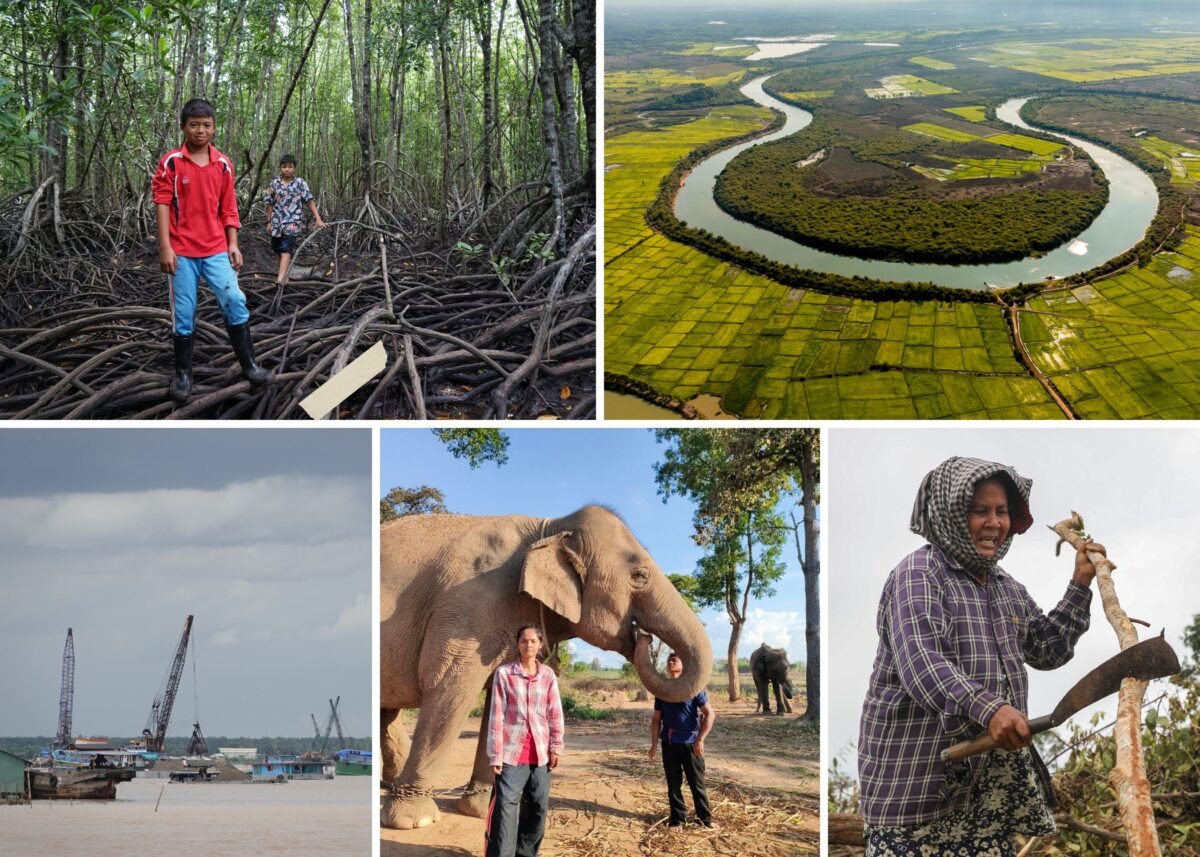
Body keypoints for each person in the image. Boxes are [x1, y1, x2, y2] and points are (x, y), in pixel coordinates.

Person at [858, 456, 1105, 857]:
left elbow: (1047, 648)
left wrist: (1080, 581)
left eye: (1002, 512)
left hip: (987, 800)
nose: (995, 523)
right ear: (952, 515)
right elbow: (923, 665)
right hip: (918, 793)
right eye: (980, 511)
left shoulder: (1006, 587)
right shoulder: (918, 574)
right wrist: (991, 710)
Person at [152, 98, 269, 402]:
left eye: (206, 125)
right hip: (182, 251)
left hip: (216, 248)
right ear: (183, 127)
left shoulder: (223, 164)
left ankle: (250, 364)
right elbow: (162, 205)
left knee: (234, 299)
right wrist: (165, 247)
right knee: (185, 312)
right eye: (194, 125)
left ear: (214, 128)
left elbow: (228, 208)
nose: (200, 131)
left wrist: (233, 243)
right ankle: (183, 373)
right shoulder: (172, 162)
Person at [483, 624, 564, 857]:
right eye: (523, 641)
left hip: (540, 754)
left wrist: (556, 747)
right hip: (511, 753)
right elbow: (496, 715)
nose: (528, 645)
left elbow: (554, 713)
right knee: (506, 807)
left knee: (538, 806)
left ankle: (526, 853)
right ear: (517, 645)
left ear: (540, 645)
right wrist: (495, 754)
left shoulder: (548, 675)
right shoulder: (504, 674)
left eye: (533, 641)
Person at [648, 652, 718, 830]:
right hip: (669, 744)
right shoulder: (662, 691)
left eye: (675, 659)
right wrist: (654, 745)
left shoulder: (694, 688)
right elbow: (656, 720)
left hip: (691, 744)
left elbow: (710, 714)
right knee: (673, 784)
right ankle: (677, 819)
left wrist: (700, 739)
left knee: (697, 783)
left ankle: (705, 819)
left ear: (683, 665)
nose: (671, 662)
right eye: (669, 660)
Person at [263, 154, 325, 285]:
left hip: (293, 222)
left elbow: (309, 201)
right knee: (278, 249)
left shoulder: (300, 183)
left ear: (294, 168)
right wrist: (268, 221)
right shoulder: (273, 183)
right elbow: (269, 203)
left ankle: (281, 279)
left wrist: (318, 219)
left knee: (286, 249)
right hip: (276, 222)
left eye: (290, 167)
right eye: (284, 167)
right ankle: (283, 274)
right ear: (280, 168)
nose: (287, 169)